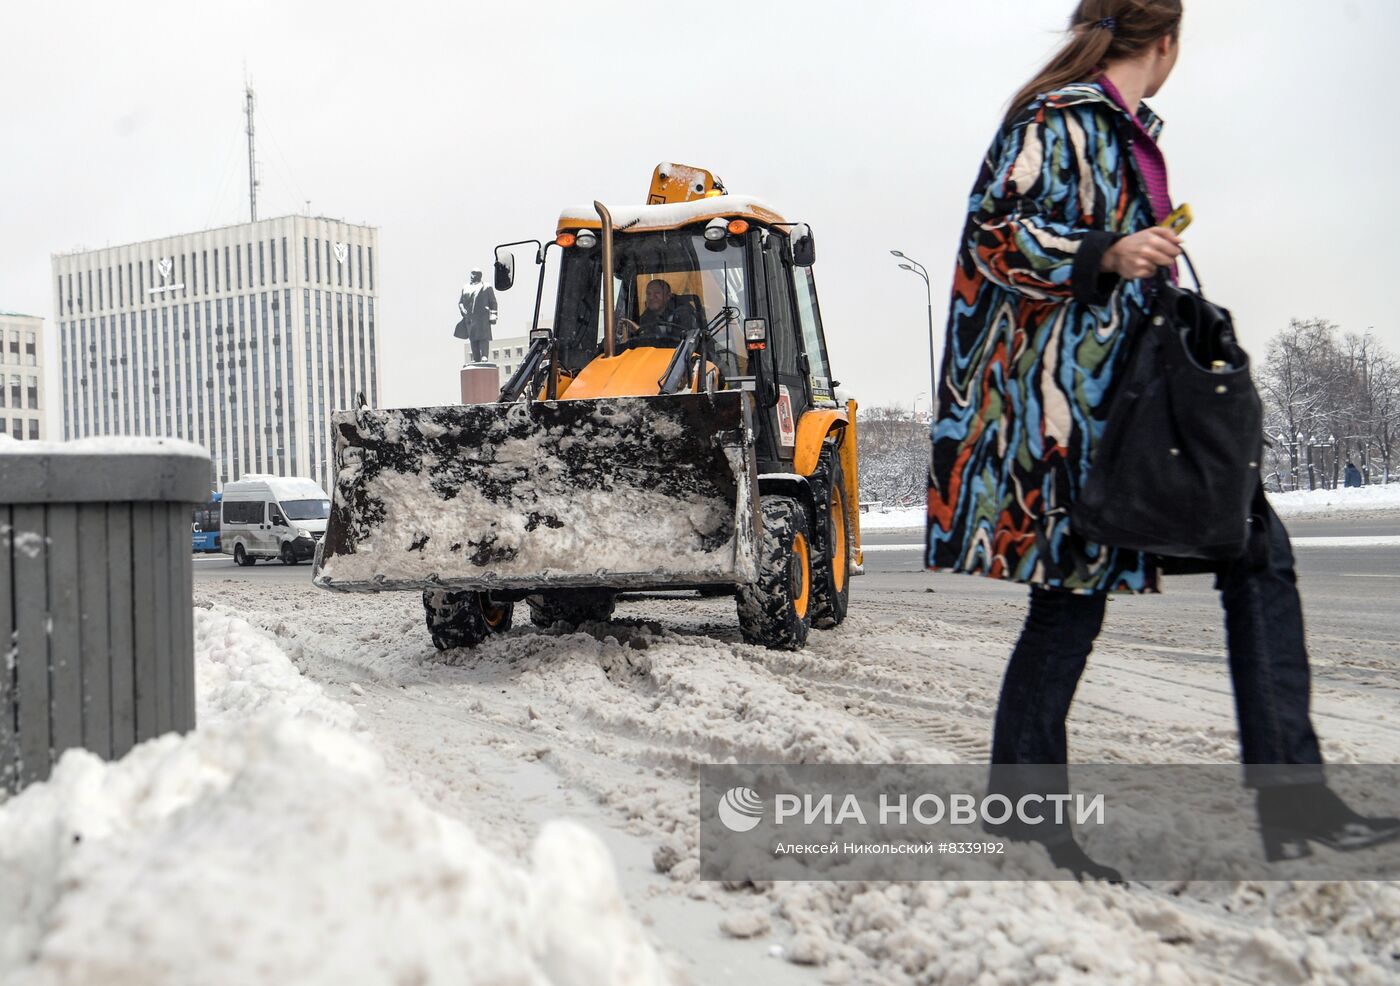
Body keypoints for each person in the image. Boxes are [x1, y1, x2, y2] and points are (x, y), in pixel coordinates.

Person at [927, 0, 1399, 879]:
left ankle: (1295, 801)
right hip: (1066, 420)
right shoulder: (1056, 117)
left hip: (1125, 408)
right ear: (1169, 40)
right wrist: (1104, 252)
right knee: (1072, 603)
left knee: (1254, 554)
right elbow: (991, 237)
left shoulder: (1124, 128)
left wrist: (1141, 267)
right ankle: (1041, 821)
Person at [618, 279, 697, 342]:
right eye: (648, 294)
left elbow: (677, 344)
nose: (651, 297)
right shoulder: (646, 317)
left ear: (668, 296)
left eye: (657, 293)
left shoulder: (684, 313)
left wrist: (641, 332)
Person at [454, 268, 497, 363]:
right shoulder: (465, 287)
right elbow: (460, 302)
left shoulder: (486, 287)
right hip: (470, 317)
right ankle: (476, 358)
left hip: (482, 317)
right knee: (473, 339)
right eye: (471, 274)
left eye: (474, 274)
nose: (472, 276)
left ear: (479, 275)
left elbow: (493, 302)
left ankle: (484, 356)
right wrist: (462, 310)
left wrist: (493, 315)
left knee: (483, 338)